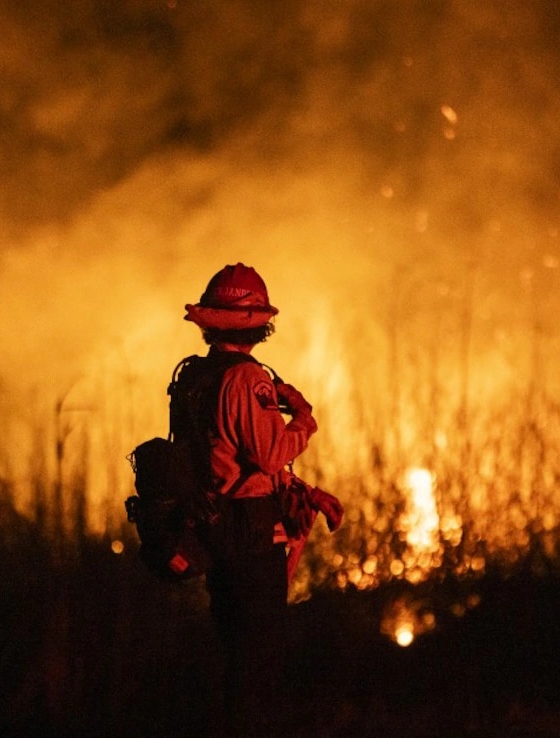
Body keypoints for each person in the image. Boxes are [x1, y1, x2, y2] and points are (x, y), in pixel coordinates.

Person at [175, 263, 342, 735]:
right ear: (258, 323)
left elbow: (222, 457)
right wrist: (304, 417)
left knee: (233, 657)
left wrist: (305, 493)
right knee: (258, 666)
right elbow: (270, 455)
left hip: (215, 530)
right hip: (250, 538)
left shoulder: (195, 377)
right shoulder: (248, 380)